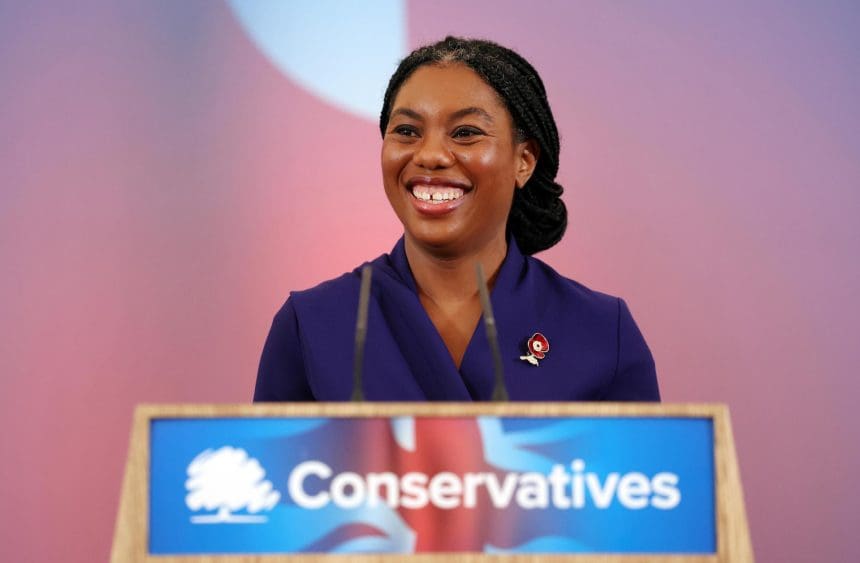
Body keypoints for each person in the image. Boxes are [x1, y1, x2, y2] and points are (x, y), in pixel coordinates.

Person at [254, 37, 659, 402]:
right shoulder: (311, 323)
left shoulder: (603, 330)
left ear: (524, 161)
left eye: (465, 132)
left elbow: (643, 480)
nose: (429, 154)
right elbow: (270, 478)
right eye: (407, 131)